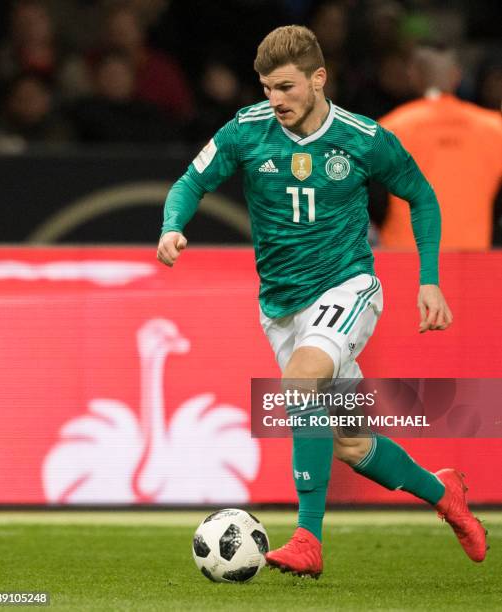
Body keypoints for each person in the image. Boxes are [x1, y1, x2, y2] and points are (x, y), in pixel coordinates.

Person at [157, 26, 487, 578]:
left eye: (285, 87)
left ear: (318, 79)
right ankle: (444, 494)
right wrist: (171, 226)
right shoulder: (247, 130)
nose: (275, 100)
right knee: (350, 441)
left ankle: (308, 537)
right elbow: (190, 181)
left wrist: (428, 280)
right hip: (280, 306)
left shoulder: (362, 137)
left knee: (300, 382)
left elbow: (421, 195)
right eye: (266, 88)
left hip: (347, 287)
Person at [378, 47, 502, 250]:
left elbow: (367, 198)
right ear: (457, 76)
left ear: (413, 75)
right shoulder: (495, 128)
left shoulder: (389, 128)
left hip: (405, 259)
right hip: (473, 260)